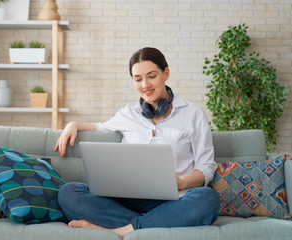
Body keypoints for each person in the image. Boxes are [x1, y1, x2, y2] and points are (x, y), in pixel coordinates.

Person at [54, 47, 220, 237]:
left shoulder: (193, 113)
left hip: (176, 200)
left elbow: (206, 166)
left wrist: (181, 182)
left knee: (208, 199)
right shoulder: (127, 113)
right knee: (69, 192)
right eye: (138, 79)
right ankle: (157, 221)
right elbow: (100, 127)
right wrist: (73, 124)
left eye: (151, 76)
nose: (145, 85)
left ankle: (122, 229)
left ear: (166, 73)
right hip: (128, 199)